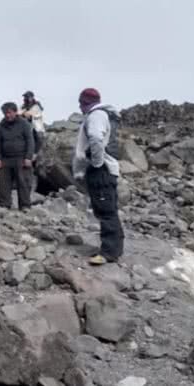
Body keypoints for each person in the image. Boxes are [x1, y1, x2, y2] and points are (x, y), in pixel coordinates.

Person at [72, 88, 125, 266]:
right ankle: (115, 248)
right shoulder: (104, 115)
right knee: (108, 208)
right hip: (106, 169)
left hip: (101, 170)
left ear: (85, 102)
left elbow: (95, 138)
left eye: (81, 102)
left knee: (105, 210)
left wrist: (96, 163)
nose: (79, 106)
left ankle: (108, 252)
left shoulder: (96, 116)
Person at [0, 102, 35, 210]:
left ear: (15, 112)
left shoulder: (24, 124)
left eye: (9, 113)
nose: (7, 115)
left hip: (21, 158)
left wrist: (28, 157)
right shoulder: (1, 125)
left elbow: (30, 141)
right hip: (6, 159)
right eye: (5, 113)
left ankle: (25, 205)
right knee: (4, 184)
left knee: (23, 183)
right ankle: (4, 205)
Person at [21, 91, 45, 159]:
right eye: (25, 97)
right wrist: (24, 114)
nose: (25, 98)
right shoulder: (23, 106)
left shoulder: (36, 105)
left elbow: (37, 112)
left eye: (27, 97)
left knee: (38, 139)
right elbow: (20, 113)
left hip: (36, 125)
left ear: (31, 97)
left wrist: (28, 114)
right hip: (27, 126)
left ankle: (35, 155)